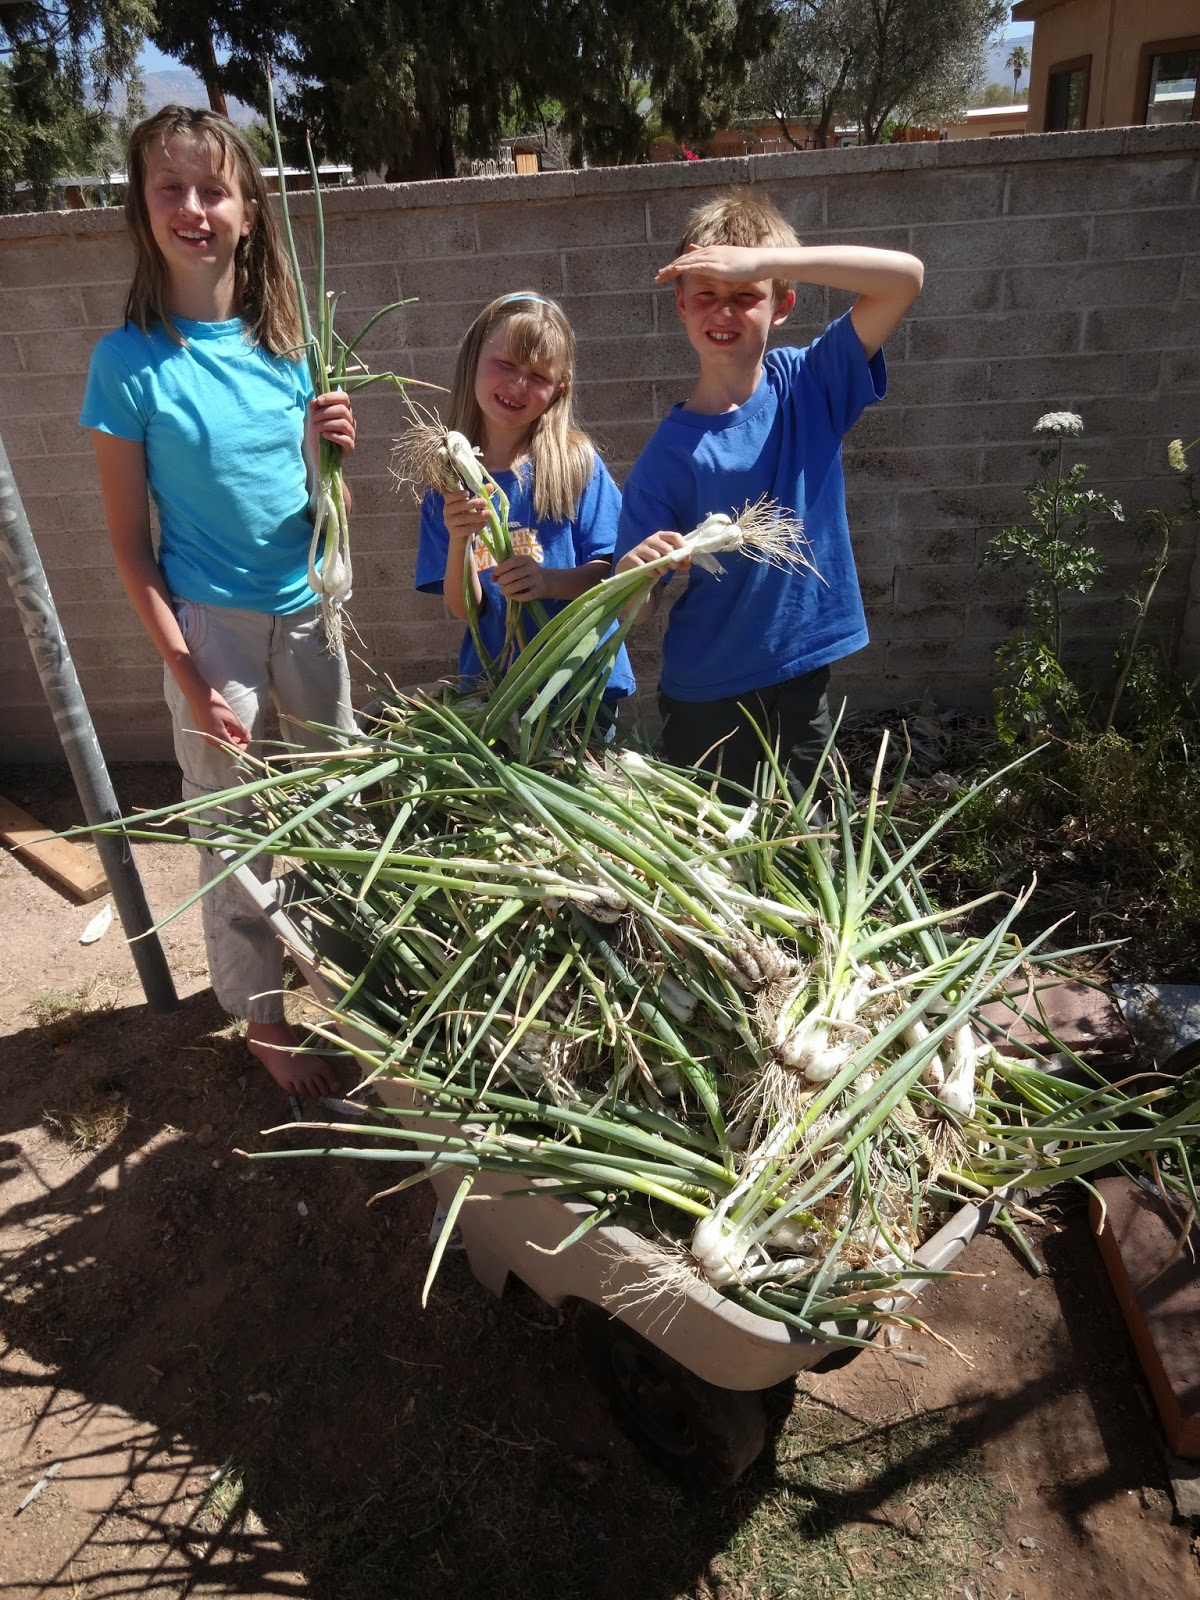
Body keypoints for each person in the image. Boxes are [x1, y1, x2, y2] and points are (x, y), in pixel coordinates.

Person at [80, 105, 358, 1099]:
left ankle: (353, 973)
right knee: (234, 828)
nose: (195, 208)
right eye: (173, 188)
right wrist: (190, 678)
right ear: (141, 207)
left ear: (249, 211)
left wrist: (336, 450)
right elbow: (128, 547)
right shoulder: (128, 365)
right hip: (213, 631)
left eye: (215, 189)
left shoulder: (292, 341)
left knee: (338, 805)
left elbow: (323, 502)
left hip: (308, 610)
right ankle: (264, 1022)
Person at [613, 188, 924, 798]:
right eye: (706, 294)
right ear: (680, 304)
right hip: (709, 693)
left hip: (802, 673)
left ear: (781, 304)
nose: (723, 311)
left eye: (744, 295)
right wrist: (632, 573)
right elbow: (632, 611)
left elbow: (904, 278)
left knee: (806, 844)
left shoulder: (809, 384)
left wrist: (757, 261)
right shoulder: (668, 455)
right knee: (716, 860)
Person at [414, 291, 634, 711]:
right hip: (499, 689)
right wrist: (460, 538)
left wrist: (549, 582)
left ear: (558, 390)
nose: (518, 385)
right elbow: (464, 609)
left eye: (538, 376)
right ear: (474, 357)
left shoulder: (575, 465)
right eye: (507, 365)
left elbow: (616, 573)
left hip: (581, 683)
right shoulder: (447, 480)